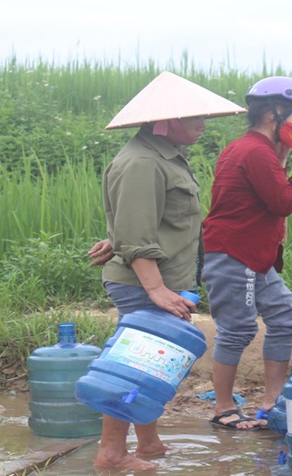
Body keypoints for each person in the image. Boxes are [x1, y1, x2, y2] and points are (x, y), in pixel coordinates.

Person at [91, 71, 245, 471]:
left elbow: (144, 222)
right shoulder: (142, 162)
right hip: (144, 284)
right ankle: (111, 454)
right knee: (135, 369)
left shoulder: (165, 155)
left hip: (162, 279)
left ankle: (149, 444)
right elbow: (137, 233)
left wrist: (118, 240)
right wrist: (156, 288)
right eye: (192, 117)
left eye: (203, 117)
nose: (201, 125)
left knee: (152, 365)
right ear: (165, 120)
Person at [202, 76, 292, 430]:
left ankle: (274, 399)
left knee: (284, 318)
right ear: (275, 115)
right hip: (233, 253)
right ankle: (222, 407)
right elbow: (282, 202)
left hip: (254, 254)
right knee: (237, 329)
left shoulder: (252, 148)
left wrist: (285, 154)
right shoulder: (254, 151)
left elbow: (268, 188)